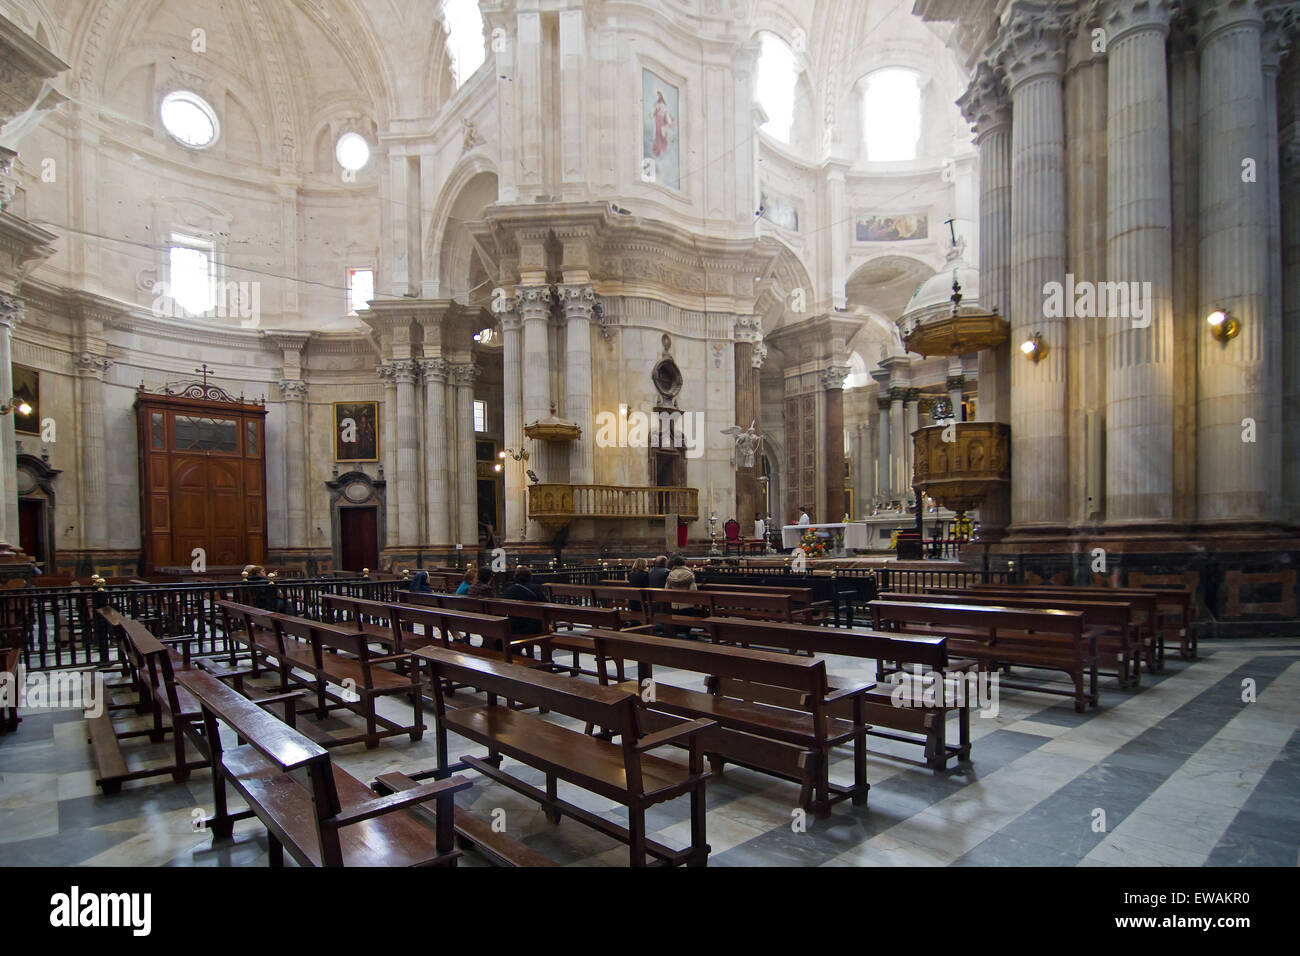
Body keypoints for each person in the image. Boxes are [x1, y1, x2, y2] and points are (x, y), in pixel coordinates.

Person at [502, 566, 547, 640]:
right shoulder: (536, 589)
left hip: (514, 627)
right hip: (534, 627)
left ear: (515, 577)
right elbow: (545, 604)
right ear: (530, 577)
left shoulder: (508, 591)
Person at [665, 555, 700, 638]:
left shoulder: (671, 574)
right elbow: (693, 590)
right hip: (686, 605)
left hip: (674, 604)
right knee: (688, 617)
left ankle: (677, 631)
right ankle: (686, 632)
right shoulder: (689, 574)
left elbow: (666, 589)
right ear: (684, 564)